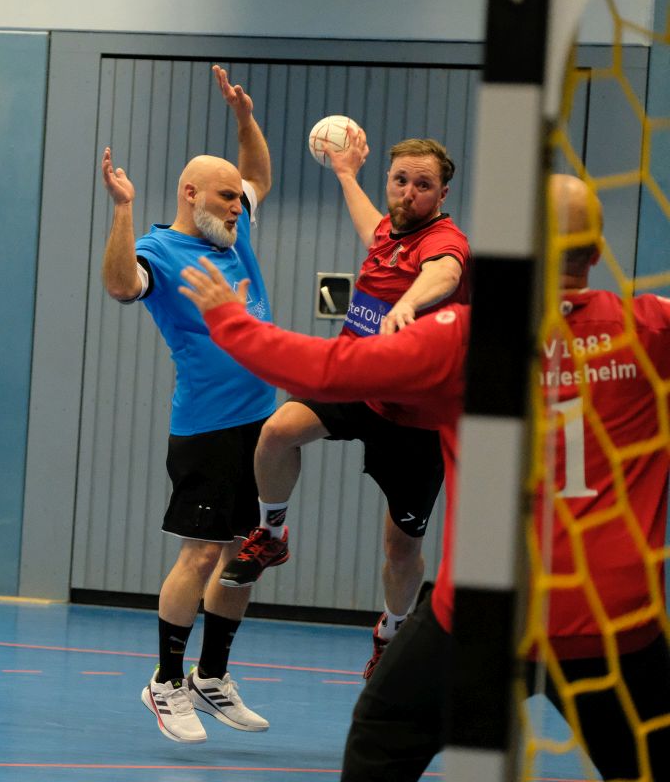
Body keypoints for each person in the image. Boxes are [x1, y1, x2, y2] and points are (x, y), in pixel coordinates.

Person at [180, 174, 670, 780]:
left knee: (381, 738)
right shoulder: (651, 330)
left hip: (487, 610)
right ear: (596, 253)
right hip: (615, 618)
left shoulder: (470, 338)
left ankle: (275, 530)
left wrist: (231, 321)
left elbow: (325, 369)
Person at [220, 129, 472, 679]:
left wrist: (408, 304)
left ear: (442, 194)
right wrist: (344, 174)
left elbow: (445, 271)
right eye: (400, 180)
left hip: (416, 419)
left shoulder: (444, 241)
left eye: (422, 185)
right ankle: (272, 534)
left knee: (399, 551)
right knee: (277, 432)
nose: (408, 193)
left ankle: (392, 631)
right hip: (359, 380)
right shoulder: (388, 233)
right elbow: (369, 224)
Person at [100, 65, 276, 744]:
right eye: (226, 197)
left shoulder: (234, 233)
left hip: (261, 424)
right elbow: (121, 286)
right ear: (190, 193)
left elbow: (257, 173)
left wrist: (244, 120)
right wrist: (122, 209)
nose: (237, 206)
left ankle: (212, 676)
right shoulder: (160, 250)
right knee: (201, 555)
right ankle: (166, 682)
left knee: (244, 555)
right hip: (207, 426)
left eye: (238, 199)